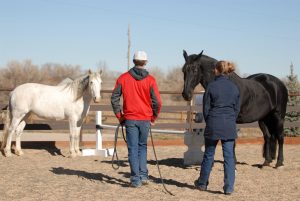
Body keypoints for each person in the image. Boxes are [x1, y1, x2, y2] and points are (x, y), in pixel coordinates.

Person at [111, 51, 162, 188]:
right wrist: (153, 117)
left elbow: (114, 98)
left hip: (130, 119)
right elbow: (158, 102)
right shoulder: (151, 80)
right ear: (145, 62)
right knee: (142, 147)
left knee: (132, 149)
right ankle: (144, 175)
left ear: (134, 61)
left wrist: (119, 116)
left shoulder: (123, 78)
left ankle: (135, 179)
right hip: (145, 119)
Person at [194, 60, 240, 195]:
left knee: (209, 155)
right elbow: (236, 109)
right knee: (229, 157)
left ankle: (202, 183)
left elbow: (206, 108)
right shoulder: (234, 87)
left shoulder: (211, 86)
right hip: (229, 125)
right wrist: (231, 119)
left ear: (218, 70)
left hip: (214, 123)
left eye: (214, 69)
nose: (213, 71)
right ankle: (228, 187)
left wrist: (210, 121)